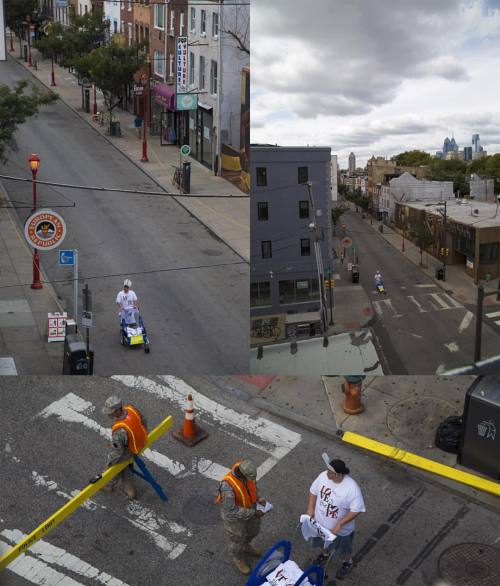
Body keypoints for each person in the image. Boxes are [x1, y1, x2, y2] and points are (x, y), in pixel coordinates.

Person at [306, 457, 365, 579]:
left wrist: (340, 524)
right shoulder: (323, 476)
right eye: (328, 470)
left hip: (340, 531)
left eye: (330, 472)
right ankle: (324, 555)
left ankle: (347, 562)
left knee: (344, 550)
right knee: (322, 543)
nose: (327, 473)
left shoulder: (352, 488)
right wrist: (311, 509)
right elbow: (313, 491)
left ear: (338, 475)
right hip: (320, 524)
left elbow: (356, 510)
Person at [216, 459, 268, 576]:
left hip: (250, 507)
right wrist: (254, 512)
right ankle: (238, 558)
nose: (252, 480)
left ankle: (246, 545)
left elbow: (253, 486)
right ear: (242, 475)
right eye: (249, 479)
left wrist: (259, 499)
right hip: (235, 517)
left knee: (254, 530)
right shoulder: (227, 487)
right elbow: (232, 511)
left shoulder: (246, 471)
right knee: (236, 540)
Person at [102, 396, 148, 500]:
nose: (109, 415)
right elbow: (143, 420)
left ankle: (108, 485)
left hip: (131, 449)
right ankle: (129, 489)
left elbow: (118, 452)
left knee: (115, 464)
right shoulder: (131, 409)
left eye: (110, 412)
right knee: (122, 463)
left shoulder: (119, 430)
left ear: (117, 411)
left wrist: (110, 462)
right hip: (142, 441)